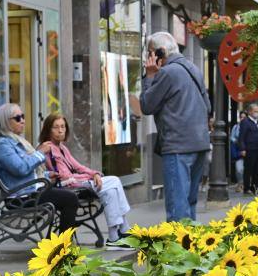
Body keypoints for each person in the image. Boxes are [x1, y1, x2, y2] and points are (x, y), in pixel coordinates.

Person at [140, 31, 211, 221]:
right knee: (189, 204)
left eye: (150, 53)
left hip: (178, 146)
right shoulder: (193, 68)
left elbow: (147, 105)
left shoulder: (167, 73)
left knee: (178, 208)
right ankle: (191, 245)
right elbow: (208, 106)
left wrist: (149, 76)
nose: (149, 58)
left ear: (160, 53)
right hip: (199, 144)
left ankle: (177, 249)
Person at [38, 113, 131, 247]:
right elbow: (64, 176)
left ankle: (113, 237)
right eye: (56, 127)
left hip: (78, 183)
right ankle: (124, 228)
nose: (60, 130)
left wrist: (95, 174)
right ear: (48, 129)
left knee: (109, 191)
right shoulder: (48, 148)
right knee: (115, 180)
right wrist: (91, 177)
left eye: (63, 127)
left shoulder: (62, 147)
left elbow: (78, 167)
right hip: (69, 187)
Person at [0, 103, 80, 233]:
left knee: (68, 195)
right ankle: (62, 246)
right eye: (17, 118)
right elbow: (20, 168)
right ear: (5, 122)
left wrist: (47, 176)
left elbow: (24, 172)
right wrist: (40, 153)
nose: (22, 120)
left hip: (29, 192)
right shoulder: (3, 145)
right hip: (20, 198)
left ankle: (57, 242)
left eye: (22, 116)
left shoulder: (16, 141)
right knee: (70, 198)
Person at [239, 103, 258, 194]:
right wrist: (242, 149)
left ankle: (254, 187)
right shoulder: (245, 122)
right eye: (255, 111)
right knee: (249, 170)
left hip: (257, 150)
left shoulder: (257, 122)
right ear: (249, 112)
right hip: (249, 150)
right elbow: (241, 137)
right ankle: (246, 188)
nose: (257, 113)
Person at [230, 111, 247, 186]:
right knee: (239, 169)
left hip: (248, 151)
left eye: (244, 117)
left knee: (247, 169)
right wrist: (238, 141)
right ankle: (240, 183)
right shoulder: (236, 127)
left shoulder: (249, 126)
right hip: (239, 151)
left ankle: (245, 184)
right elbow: (232, 138)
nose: (242, 119)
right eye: (241, 117)